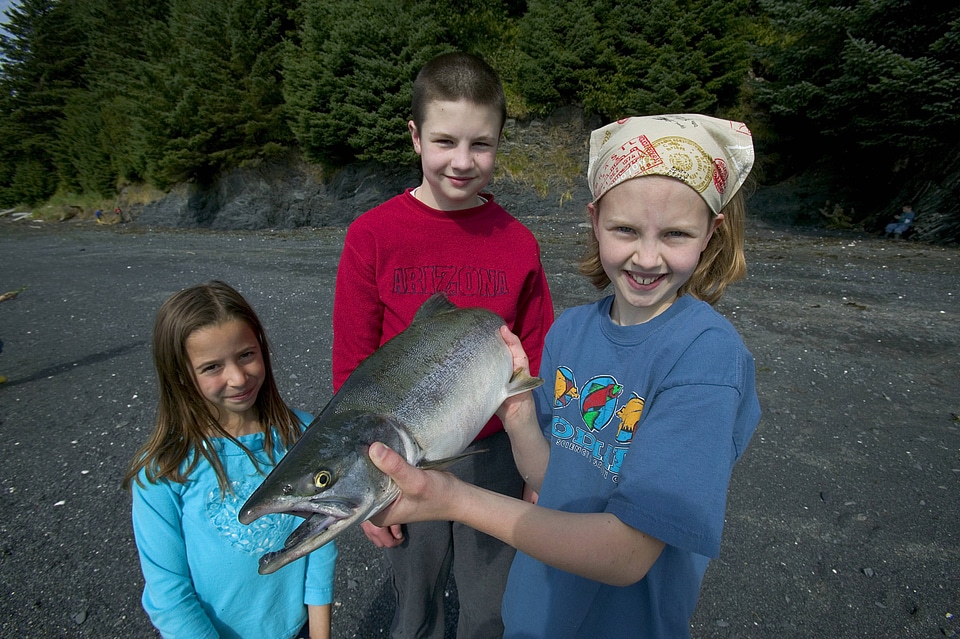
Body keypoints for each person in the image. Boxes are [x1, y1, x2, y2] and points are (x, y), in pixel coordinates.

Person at [367, 114, 762, 638]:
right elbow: (547, 479)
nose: (647, 257)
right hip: (536, 612)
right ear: (594, 219)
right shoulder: (571, 332)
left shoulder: (705, 357)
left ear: (710, 233)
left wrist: (454, 499)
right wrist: (519, 415)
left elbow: (627, 554)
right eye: (625, 230)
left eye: (675, 234)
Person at [332, 52, 554, 638]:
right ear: (415, 137)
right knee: (416, 605)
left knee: (491, 606)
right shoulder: (372, 236)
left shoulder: (518, 243)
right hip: (404, 460)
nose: (462, 161)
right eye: (444, 141)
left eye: (480, 144)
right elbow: (352, 372)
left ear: (500, 141)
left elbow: (539, 355)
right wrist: (363, 489)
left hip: (496, 456)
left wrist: (536, 467)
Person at [122, 281, 337, 639]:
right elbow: (168, 594)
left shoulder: (302, 434)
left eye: (246, 355)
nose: (238, 378)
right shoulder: (163, 468)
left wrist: (320, 632)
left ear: (262, 348)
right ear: (179, 374)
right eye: (211, 367)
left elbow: (320, 539)